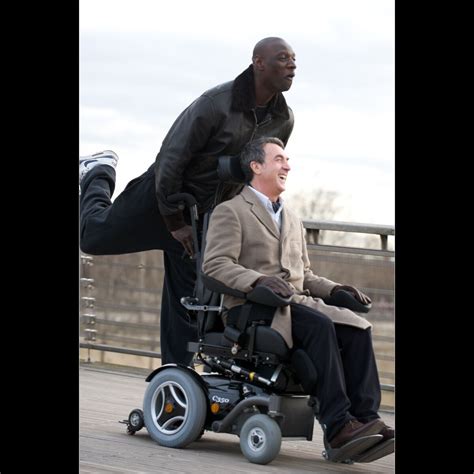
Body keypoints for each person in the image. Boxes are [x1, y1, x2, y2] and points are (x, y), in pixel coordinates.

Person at [79, 37, 297, 366]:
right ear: (259, 63)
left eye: (294, 59)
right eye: (283, 58)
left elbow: (259, 171)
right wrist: (173, 222)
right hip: (161, 199)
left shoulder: (283, 118)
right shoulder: (215, 104)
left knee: (188, 306)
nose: (292, 65)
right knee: (92, 237)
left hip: (204, 218)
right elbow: (170, 160)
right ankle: (98, 170)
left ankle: (174, 385)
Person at [201, 136, 394, 452]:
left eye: (286, 160)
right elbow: (215, 265)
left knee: (358, 328)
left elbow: (304, 275)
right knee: (320, 326)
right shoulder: (232, 211)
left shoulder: (292, 218)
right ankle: (338, 425)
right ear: (256, 166)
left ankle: (365, 421)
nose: (287, 166)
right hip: (251, 308)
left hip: (294, 302)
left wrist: (336, 290)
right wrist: (258, 281)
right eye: (279, 159)